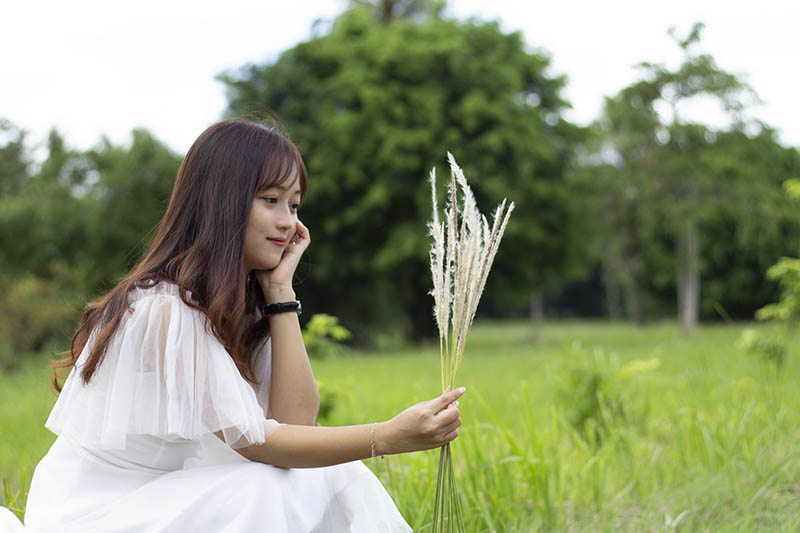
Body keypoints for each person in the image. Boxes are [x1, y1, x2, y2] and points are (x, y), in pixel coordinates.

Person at [5, 119, 463, 532]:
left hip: (179, 496)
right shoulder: (161, 309)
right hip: (104, 512)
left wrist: (280, 295)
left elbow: (294, 423)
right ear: (221, 203)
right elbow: (257, 443)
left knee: (334, 472)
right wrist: (385, 437)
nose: (288, 222)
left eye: (295, 205)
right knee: (259, 487)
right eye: (271, 201)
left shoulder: (240, 304)